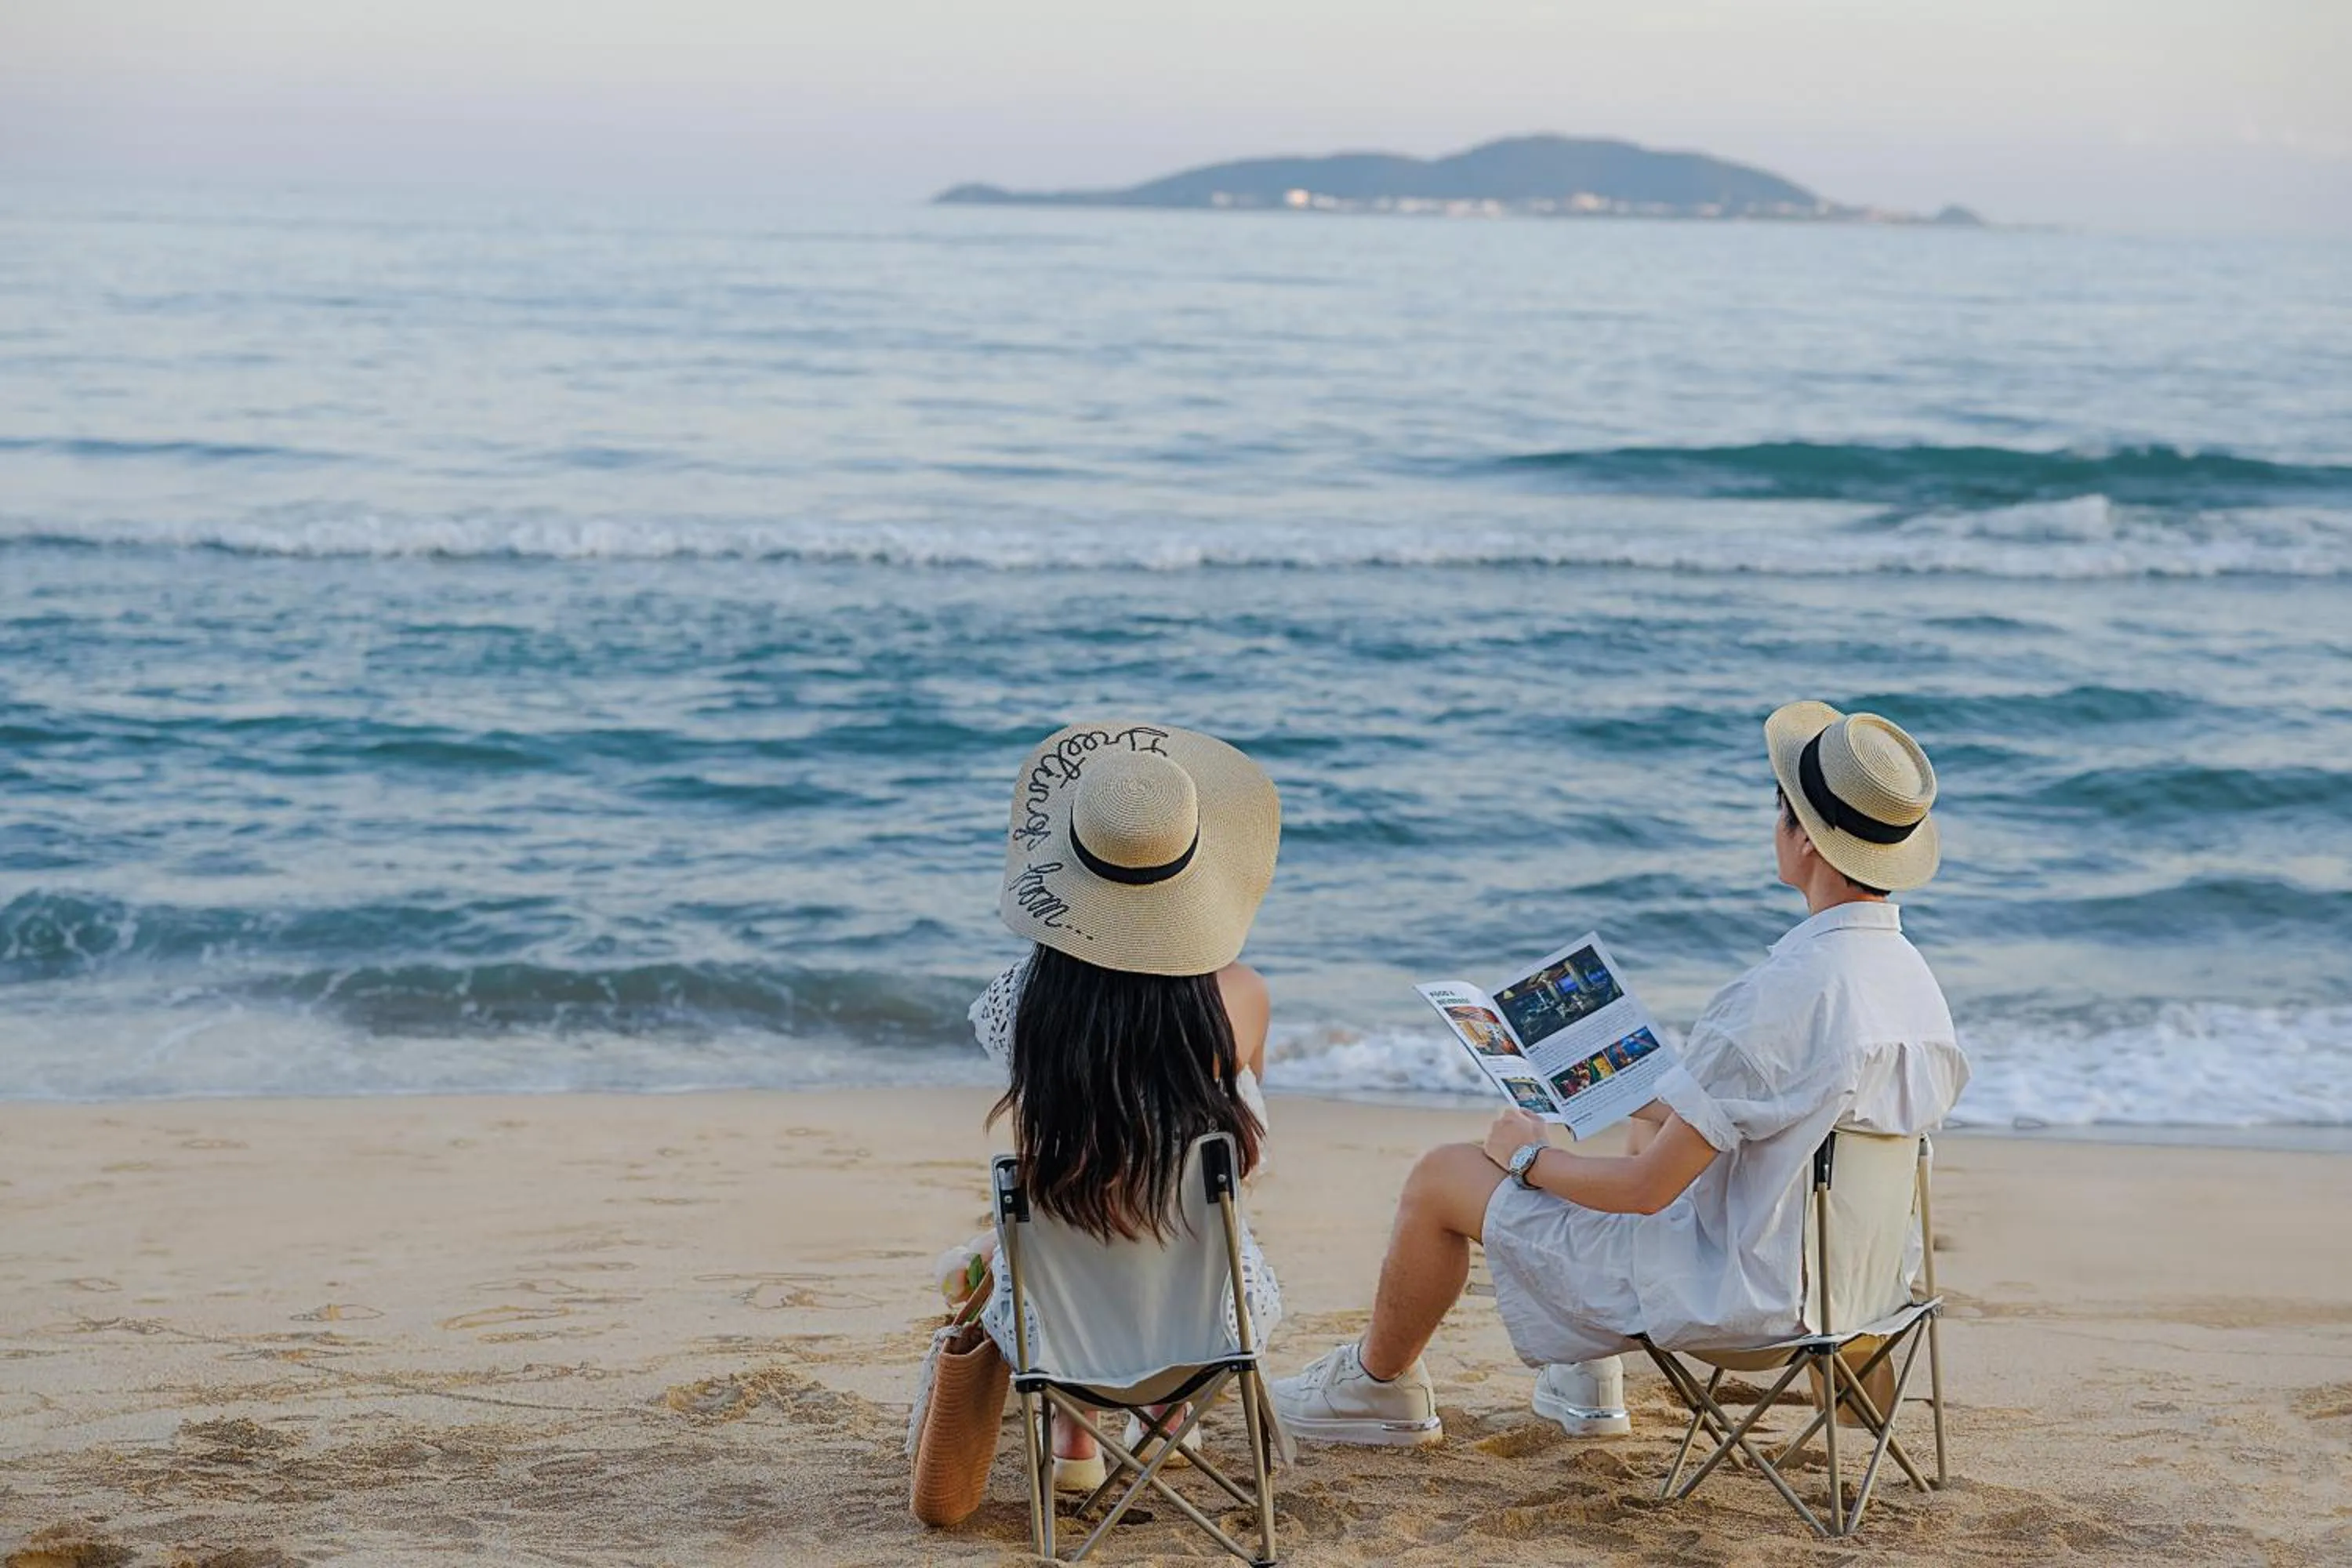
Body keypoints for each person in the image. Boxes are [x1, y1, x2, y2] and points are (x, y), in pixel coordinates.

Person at [1271, 702, 1969, 1446]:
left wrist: (1528, 1159)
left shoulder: (1785, 993)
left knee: (1441, 1179)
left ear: (1804, 840)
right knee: (1648, 1126)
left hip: (1743, 1298)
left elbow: (1645, 1194)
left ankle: (1379, 1390)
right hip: (1852, 1290)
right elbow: (1783, 1119)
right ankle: (1584, 1377)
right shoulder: (1913, 985)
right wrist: (1641, 1092)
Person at [968, 721, 1283, 1490]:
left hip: (1061, 1343)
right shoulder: (1239, 1000)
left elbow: (1047, 1124)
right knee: (1190, 1176)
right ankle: (1174, 1411)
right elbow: (1256, 1153)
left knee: (1068, 1170)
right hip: (1206, 1331)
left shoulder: (1020, 1006)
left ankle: (1076, 1432)